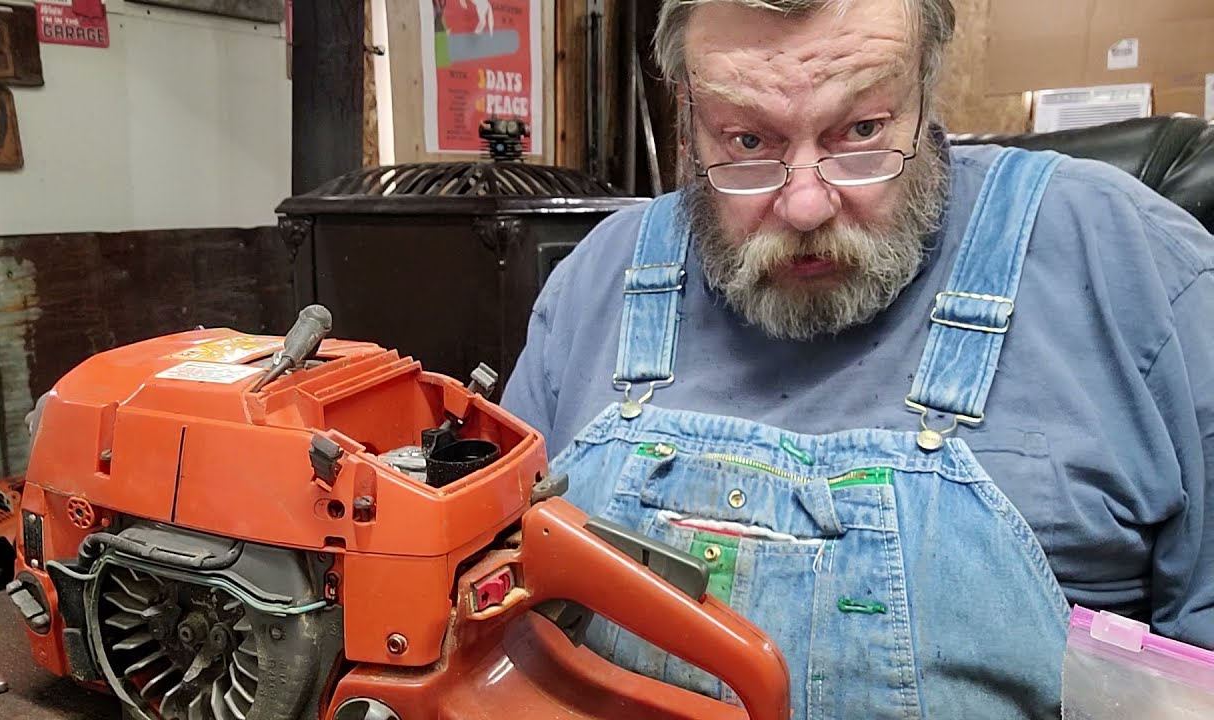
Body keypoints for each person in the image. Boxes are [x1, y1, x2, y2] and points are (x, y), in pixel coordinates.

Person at [499, 0, 1214, 717]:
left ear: (924, 95)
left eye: (863, 130)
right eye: (747, 140)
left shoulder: (1137, 273)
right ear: (686, 126)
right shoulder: (599, 284)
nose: (806, 206)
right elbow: (489, 628)